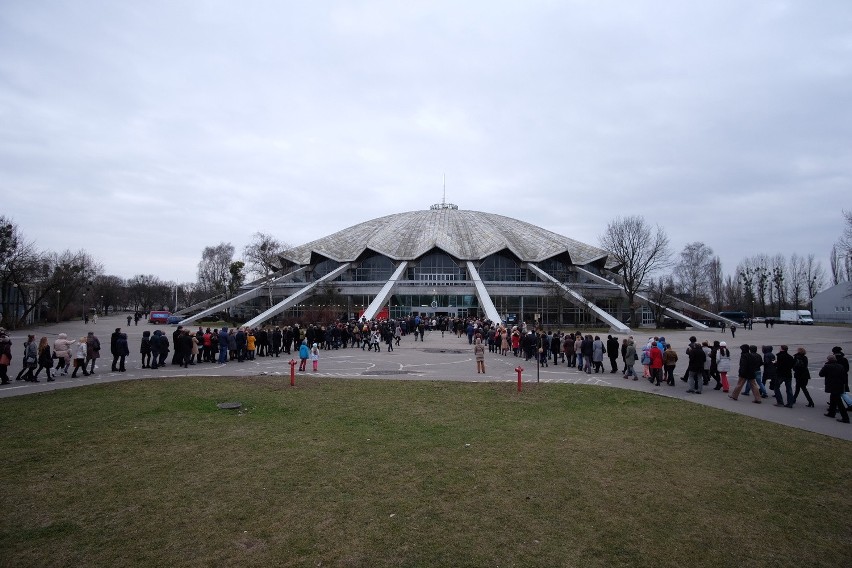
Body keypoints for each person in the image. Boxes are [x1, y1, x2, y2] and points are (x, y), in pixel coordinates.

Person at [820, 354, 849, 423]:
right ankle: (831, 413)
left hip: (832, 385)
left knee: (839, 402)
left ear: (828, 360)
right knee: (833, 399)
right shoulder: (840, 366)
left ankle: (845, 418)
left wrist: (825, 366)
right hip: (840, 385)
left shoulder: (827, 366)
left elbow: (821, 374)